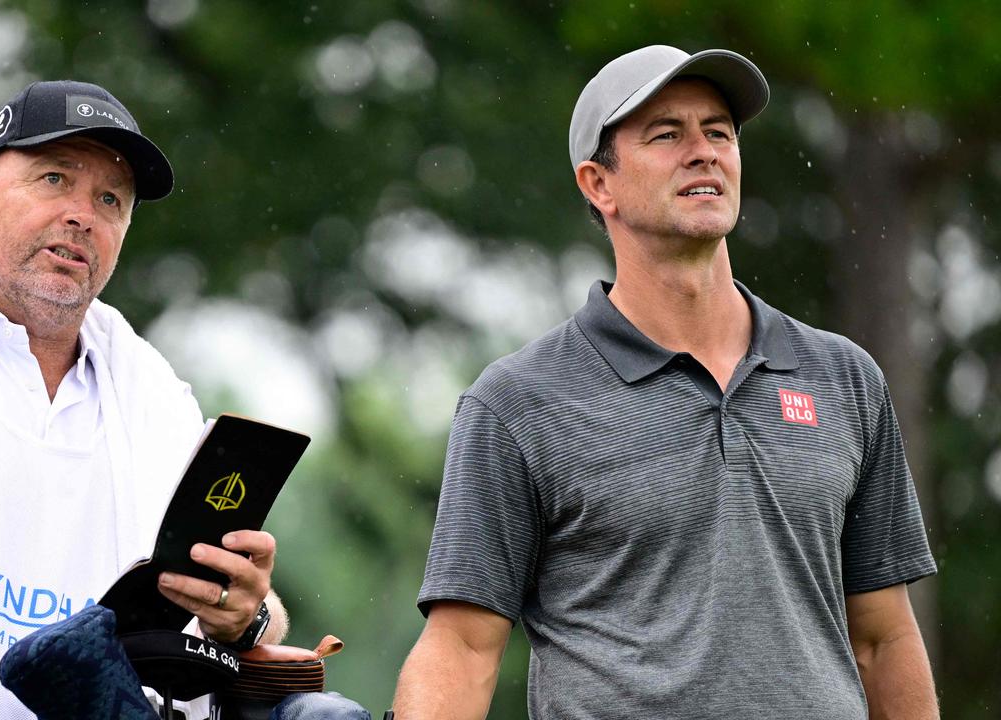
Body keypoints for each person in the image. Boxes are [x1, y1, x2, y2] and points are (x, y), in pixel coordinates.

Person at [0, 80, 367, 720]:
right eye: (54, 178)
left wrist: (248, 615)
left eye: (110, 198)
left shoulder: (156, 393)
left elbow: (241, 613)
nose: (82, 214)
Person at [392, 46, 938, 719]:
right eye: (667, 135)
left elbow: (883, 638)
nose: (704, 151)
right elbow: (463, 650)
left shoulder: (844, 377)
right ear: (599, 184)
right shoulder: (517, 404)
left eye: (719, 131)